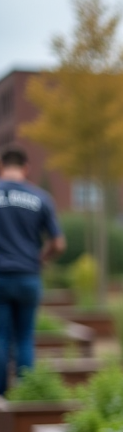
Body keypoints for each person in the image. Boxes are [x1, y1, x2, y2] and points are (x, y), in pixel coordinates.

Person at [0, 145, 65, 394]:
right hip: (28, 276)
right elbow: (59, 243)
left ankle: (1, 399)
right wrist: (42, 258)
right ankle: (25, 393)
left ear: (2, 165)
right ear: (27, 168)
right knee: (25, 337)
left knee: (1, 337)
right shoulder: (40, 198)